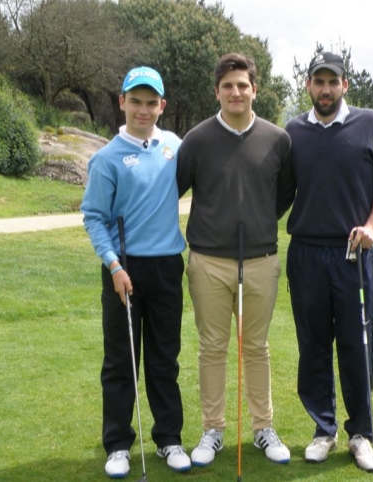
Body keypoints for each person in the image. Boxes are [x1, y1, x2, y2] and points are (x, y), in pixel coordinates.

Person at [285, 52, 373, 473]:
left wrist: (372, 225)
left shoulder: (369, 123)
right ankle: (323, 429)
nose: (325, 89)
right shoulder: (294, 131)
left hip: (355, 253)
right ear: (309, 86)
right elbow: (280, 190)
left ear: (345, 86)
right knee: (313, 346)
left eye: (333, 82)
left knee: (357, 345)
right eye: (318, 81)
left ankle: (361, 434)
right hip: (307, 255)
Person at [176, 52, 295, 467]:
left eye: (243, 85)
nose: (236, 92)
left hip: (260, 260)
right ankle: (213, 430)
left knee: (257, 348)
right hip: (209, 261)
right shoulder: (197, 139)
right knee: (212, 348)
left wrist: (262, 220)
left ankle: (263, 428)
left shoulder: (277, 139)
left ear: (254, 89)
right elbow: (175, 190)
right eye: (228, 86)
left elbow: (283, 194)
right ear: (217, 91)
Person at [81, 66, 191, 478]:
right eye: (136, 101)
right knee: (121, 360)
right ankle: (117, 444)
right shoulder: (106, 157)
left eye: (151, 102)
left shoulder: (176, 147)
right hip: (123, 268)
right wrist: (113, 265)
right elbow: (93, 217)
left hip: (166, 266)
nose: (143, 110)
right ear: (122, 102)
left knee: (164, 359)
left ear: (161, 106)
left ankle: (169, 439)